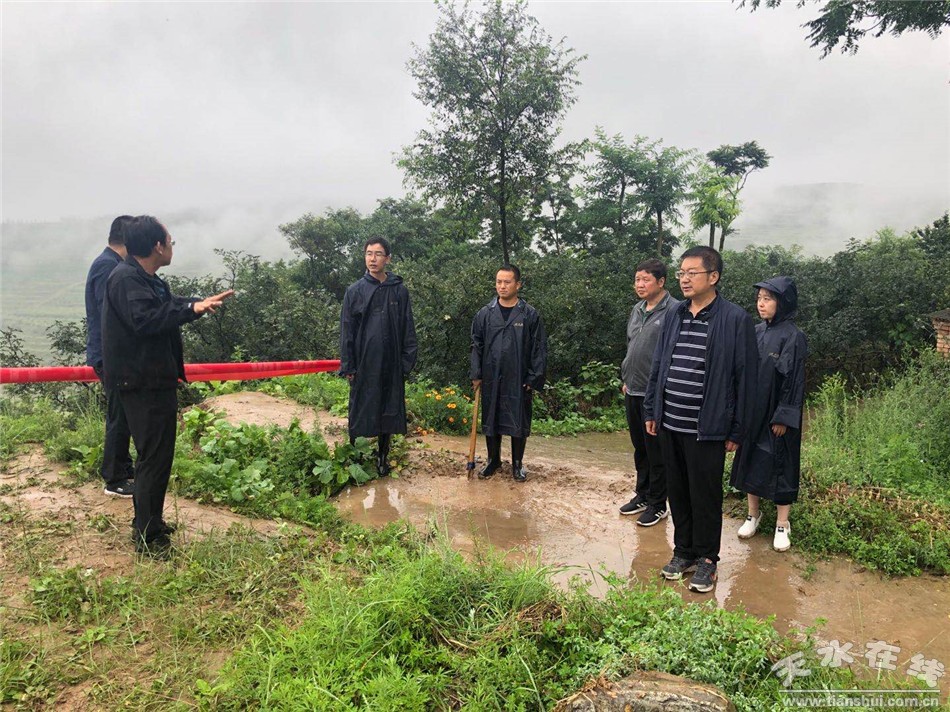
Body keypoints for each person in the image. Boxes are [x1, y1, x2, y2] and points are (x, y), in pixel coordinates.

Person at [102, 216, 233, 556]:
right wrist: (191, 309)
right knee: (153, 458)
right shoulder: (126, 280)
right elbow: (146, 320)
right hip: (141, 383)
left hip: (153, 380)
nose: (172, 246)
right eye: (170, 241)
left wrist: (196, 304)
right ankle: (149, 537)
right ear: (158, 246)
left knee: (158, 456)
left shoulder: (145, 279)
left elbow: (166, 304)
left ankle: (151, 522)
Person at [644, 246, 757, 593]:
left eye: (692, 273)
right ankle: (684, 552)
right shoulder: (675, 313)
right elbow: (660, 363)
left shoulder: (734, 319)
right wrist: (652, 408)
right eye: (681, 272)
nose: (685, 279)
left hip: (707, 426)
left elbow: (745, 378)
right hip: (671, 421)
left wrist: (737, 428)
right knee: (678, 491)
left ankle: (708, 559)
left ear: (714, 277)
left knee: (704, 495)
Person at [730, 277, 807, 552]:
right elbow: (741, 371)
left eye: (767, 298)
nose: (761, 303)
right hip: (753, 410)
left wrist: (783, 416)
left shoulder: (793, 336)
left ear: (782, 302)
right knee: (751, 458)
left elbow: (794, 379)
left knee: (781, 464)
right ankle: (753, 514)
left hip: (776, 413)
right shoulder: (756, 331)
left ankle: (782, 524)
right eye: (759, 298)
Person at [339, 237, 417, 475]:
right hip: (365, 362)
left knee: (388, 408)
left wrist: (405, 363)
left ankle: (383, 457)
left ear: (388, 259)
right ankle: (355, 455)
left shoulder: (398, 290)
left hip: (391, 362)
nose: (372, 259)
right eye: (369, 254)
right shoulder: (355, 291)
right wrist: (349, 365)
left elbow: (407, 327)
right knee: (360, 408)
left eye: (378, 254)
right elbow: (347, 331)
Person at [470, 264, 547, 482]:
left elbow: (539, 348)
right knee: (491, 418)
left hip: (519, 377)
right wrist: (476, 374)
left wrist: (534, 377)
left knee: (518, 420)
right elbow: (476, 345)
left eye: (507, 282)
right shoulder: (485, 314)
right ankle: (493, 460)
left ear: (518, 285)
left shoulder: (529, 314)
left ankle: (517, 464)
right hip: (491, 376)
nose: (502, 286)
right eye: (499, 282)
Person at [619, 258, 679, 527]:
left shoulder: (674, 310)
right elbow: (631, 344)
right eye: (637, 279)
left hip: (655, 394)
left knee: (657, 451)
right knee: (640, 448)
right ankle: (642, 494)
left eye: (645, 279)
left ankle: (658, 503)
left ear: (661, 282)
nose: (640, 284)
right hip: (633, 389)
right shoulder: (637, 309)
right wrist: (626, 377)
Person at [85, 215, 135, 497]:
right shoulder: (108, 266)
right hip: (110, 354)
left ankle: (124, 469)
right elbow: (111, 314)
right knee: (119, 415)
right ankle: (114, 478)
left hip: (111, 353)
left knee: (124, 412)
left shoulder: (110, 263)